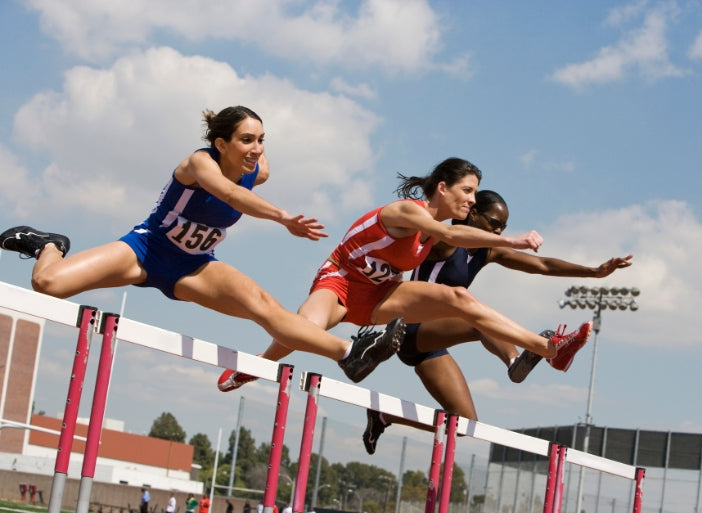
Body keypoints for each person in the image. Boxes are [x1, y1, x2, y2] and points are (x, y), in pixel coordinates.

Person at [0, 106, 404, 384]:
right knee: (48, 285)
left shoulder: (257, 170)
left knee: (264, 307)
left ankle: (351, 351)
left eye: (262, 139)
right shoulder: (198, 163)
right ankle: (49, 244)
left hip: (194, 265)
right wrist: (283, 218)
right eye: (247, 140)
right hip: (146, 250)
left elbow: (243, 182)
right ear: (221, 142)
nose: (257, 149)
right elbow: (228, 194)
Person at [220, 158, 591, 393]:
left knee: (460, 298)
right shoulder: (407, 212)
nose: (473, 200)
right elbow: (452, 235)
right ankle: (256, 366)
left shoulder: (436, 228)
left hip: (382, 294)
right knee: (304, 327)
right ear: (442, 188)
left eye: (475, 194)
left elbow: (453, 235)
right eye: (468, 190)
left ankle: (549, 349)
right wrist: (514, 240)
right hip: (341, 282)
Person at [360, 190, 633, 454]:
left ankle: (384, 416)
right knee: (473, 312)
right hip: (410, 327)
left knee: (465, 424)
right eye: (494, 224)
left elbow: (542, 265)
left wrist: (593, 272)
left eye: (503, 227)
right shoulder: (445, 241)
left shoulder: (487, 251)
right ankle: (516, 361)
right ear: (473, 213)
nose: (499, 232)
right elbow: (418, 234)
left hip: (430, 344)